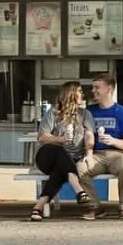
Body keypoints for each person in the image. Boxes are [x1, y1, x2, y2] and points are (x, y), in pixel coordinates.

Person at [29, 81, 95, 221]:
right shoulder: (53, 113)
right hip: (47, 158)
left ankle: (38, 208)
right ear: (71, 94)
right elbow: (42, 137)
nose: (82, 94)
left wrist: (89, 153)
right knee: (58, 150)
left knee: (59, 172)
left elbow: (89, 136)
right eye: (80, 91)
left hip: (70, 161)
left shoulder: (85, 114)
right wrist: (61, 139)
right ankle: (78, 190)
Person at [79, 72, 123, 220]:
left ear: (109, 89)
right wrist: (89, 154)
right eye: (93, 87)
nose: (93, 91)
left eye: (97, 87)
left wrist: (113, 141)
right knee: (80, 168)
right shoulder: (89, 112)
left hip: (119, 155)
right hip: (96, 154)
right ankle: (95, 207)